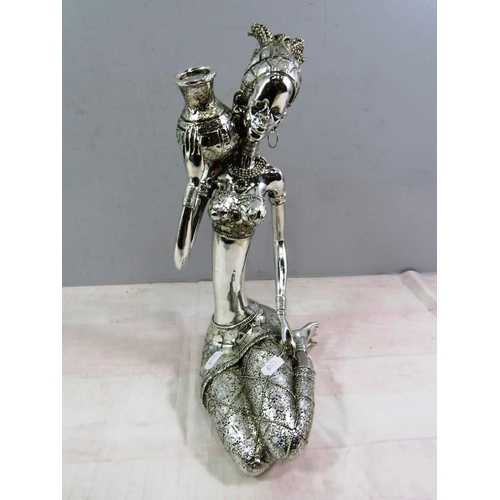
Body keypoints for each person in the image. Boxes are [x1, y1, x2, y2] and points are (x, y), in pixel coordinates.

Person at [174, 23, 318, 476]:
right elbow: (180, 254)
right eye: (260, 105)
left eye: (277, 113)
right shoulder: (215, 172)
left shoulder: (271, 179)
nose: (265, 119)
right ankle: (288, 354)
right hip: (221, 333)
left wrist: (283, 314)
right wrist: (195, 182)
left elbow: (280, 247)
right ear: (241, 100)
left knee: (286, 442)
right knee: (252, 459)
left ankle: (300, 355)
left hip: (258, 325)